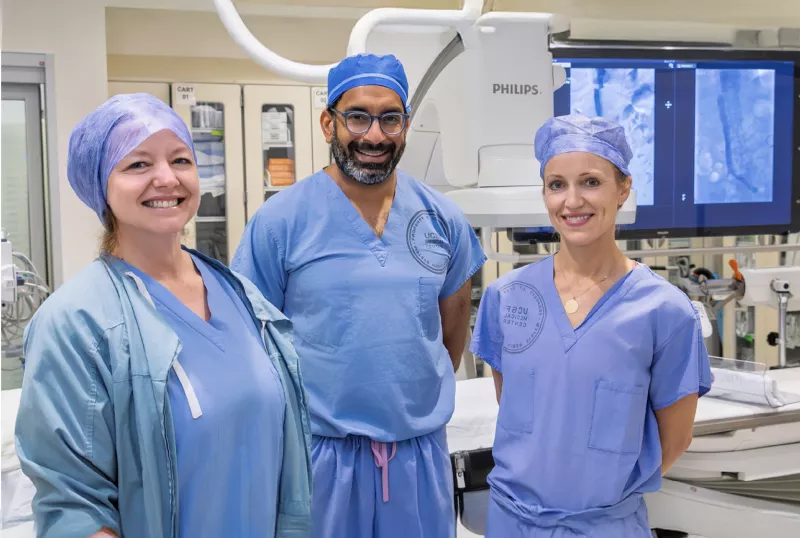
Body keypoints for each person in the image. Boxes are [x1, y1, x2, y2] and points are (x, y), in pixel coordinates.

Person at [13, 93, 313, 538]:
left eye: (180, 160)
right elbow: (74, 506)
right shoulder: (76, 323)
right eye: (137, 164)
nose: (166, 178)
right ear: (102, 185)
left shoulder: (243, 297)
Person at [232, 53, 486, 538]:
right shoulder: (281, 221)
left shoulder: (442, 219)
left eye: (390, 118)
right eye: (357, 116)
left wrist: (404, 396)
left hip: (418, 458)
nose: (374, 135)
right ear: (329, 121)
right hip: (319, 459)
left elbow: (451, 335)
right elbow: (253, 347)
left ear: (406, 125)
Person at [469, 115, 713, 537]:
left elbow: (675, 441)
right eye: (557, 185)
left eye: (591, 182)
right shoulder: (508, 298)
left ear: (623, 189)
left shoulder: (665, 311)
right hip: (511, 523)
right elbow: (515, 407)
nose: (572, 201)